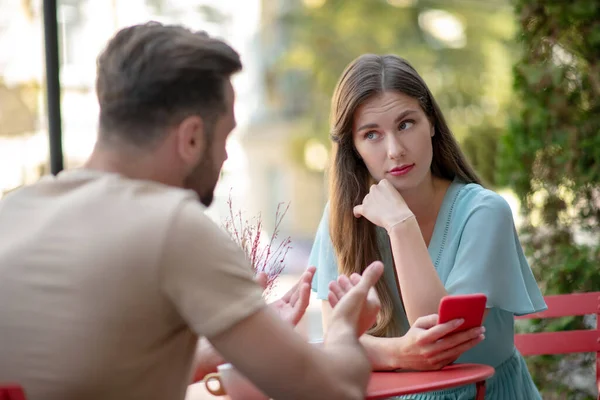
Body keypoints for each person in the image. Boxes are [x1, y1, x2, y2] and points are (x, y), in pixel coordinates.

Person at [0, 22, 384, 400]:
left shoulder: (14, 211)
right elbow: (335, 391)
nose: (225, 155)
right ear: (192, 138)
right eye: (225, 137)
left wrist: (231, 341)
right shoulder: (172, 224)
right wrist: (344, 330)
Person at [309, 54, 548, 399]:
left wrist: (400, 224)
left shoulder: (484, 213)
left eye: (406, 124)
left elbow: (442, 339)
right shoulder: (343, 218)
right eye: (372, 134)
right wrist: (400, 353)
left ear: (432, 123)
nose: (395, 150)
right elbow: (338, 340)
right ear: (354, 148)